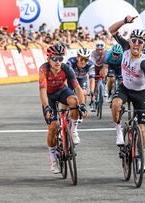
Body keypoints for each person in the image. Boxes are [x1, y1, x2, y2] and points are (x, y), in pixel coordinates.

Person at [109, 15, 145, 172]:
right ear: (130, 41)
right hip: (125, 88)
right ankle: (118, 130)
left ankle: (140, 158)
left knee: (142, 130)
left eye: (140, 42)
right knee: (116, 104)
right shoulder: (124, 48)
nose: (136, 44)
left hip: (139, 93)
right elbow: (112, 30)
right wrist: (124, 21)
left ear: (143, 45)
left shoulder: (144, 62)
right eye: (134, 40)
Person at [39, 44, 88, 174]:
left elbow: (77, 88)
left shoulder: (66, 68)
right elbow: (43, 91)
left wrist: (82, 104)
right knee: (53, 127)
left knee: (74, 101)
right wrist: (47, 108)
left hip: (61, 91)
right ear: (49, 58)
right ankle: (53, 158)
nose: (58, 62)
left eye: (61, 58)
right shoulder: (44, 69)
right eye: (55, 58)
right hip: (49, 95)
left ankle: (73, 130)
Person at [66, 47, 95, 115]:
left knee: (84, 93)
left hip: (82, 78)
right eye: (81, 59)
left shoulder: (90, 64)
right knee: (67, 94)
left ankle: (82, 109)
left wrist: (92, 91)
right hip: (71, 79)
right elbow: (64, 76)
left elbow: (92, 79)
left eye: (86, 59)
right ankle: (64, 112)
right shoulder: (70, 62)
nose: (83, 61)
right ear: (77, 57)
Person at [90, 40, 108, 111]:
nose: (100, 51)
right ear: (96, 49)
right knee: (94, 84)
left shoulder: (107, 53)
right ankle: (93, 102)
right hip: (95, 67)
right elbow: (94, 63)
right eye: (98, 50)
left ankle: (105, 86)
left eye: (101, 49)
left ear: (104, 48)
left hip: (104, 66)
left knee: (107, 73)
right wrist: (101, 57)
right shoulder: (93, 53)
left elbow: (108, 62)